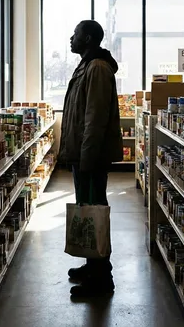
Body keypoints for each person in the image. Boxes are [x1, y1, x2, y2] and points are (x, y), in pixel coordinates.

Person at [58, 20, 123, 297]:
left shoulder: (96, 67)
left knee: (95, 212)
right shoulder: (87, 64)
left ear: (87, 38)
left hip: (91, 157)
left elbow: (94, 119)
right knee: (89, 211)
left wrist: (87, 159)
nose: (71, 38)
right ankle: (92, 263)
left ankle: (101, 279)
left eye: (75, 34)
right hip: (83, 155)